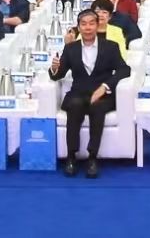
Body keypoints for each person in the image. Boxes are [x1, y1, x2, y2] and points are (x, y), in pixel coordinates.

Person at [50, 10, 131, 179]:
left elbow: (124, 70)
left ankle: (92, 158)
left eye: (91, 23)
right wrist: (54, 68)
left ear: (98, 25)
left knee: (98, 107)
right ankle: (71, 157)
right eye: (84, 24)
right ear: (78, 27)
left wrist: (105, 87)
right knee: (75, 105)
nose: (88, 28)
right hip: (78, 93)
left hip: (102, 95)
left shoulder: (110, 47)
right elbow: (58, 75)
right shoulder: (71, 48)